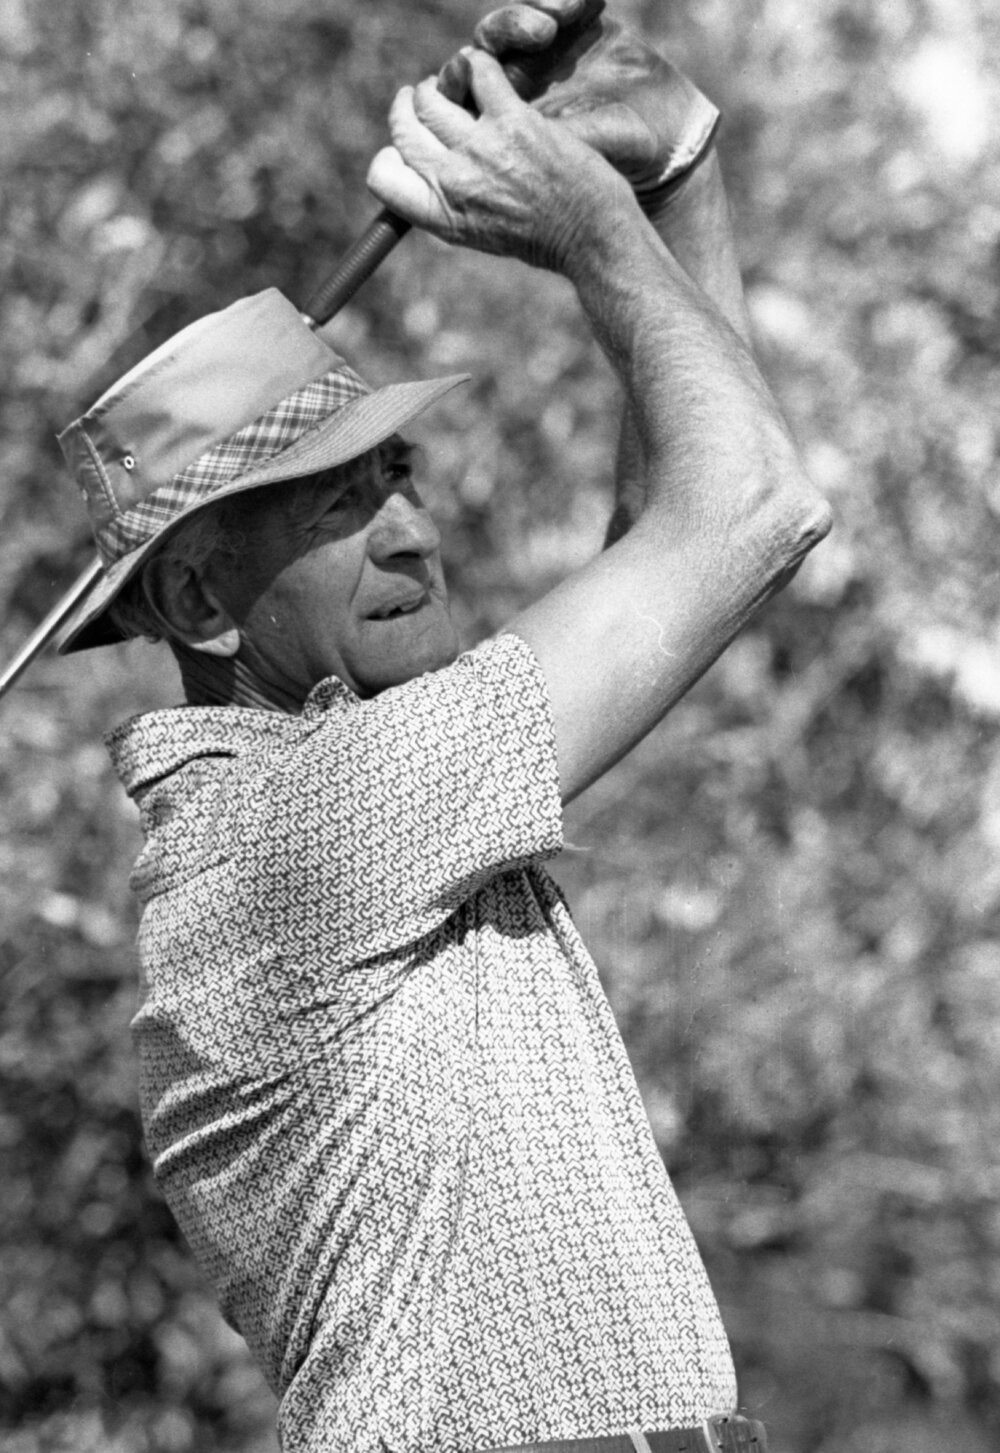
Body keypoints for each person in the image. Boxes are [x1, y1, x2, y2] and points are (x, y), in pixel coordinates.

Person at [55, 3, 831, 1450]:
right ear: (204, 593)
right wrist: (597, 228)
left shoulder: (352, 788)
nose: (414, 531)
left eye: (399, 474)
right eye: (342, 500)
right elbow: (750, 509)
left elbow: (676, 539)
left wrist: (681, 174)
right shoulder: (305, 821)